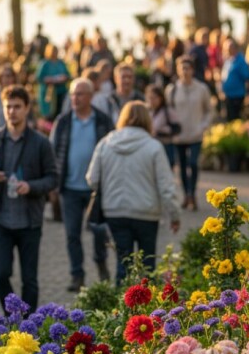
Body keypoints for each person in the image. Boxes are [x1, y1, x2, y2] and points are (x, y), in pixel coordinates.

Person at [0, 86, 57, 312]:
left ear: (27, 109)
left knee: (29, 279)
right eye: (8, 107)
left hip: (30, 220)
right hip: (0, 219)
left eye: (17, 107)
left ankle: (29, 324)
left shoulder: (40, 142)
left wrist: (31, 186)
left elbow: (52, 178)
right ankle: (13, 315)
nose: (12, 112)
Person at [87, 102, 180, 283]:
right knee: (148, 267)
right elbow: (166, 186)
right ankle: (149, 308)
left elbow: (92, 179)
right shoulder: (154, 147)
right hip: (147, 213)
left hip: (114, 211)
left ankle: (120, 306)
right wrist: (174, 215)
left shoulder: (106, 143)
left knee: (123, 265)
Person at [50, 78, 114, 292]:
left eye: (80, 94)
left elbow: (111, 151)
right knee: (72, 234)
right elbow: (53, 151)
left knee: (98, 231)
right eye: (73, 94)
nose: (75, 99)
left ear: (90, 96)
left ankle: (101, 264)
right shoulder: (63, 121)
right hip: (69, 187)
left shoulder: (103, 121)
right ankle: (77, 275)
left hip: (96, 188)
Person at [167, 56, 212, 211]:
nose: (185, 71)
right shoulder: (172, 90)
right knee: (182, 166)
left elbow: (209, 110)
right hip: (179, 136)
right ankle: (186, 194)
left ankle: (192, 193)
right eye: (182, 68)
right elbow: (167, 111)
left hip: (195, 134)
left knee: (193, 163)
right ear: (178, 70)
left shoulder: (202, 89)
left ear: (192, 70)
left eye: (188, 68)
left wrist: (203, 125)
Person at [145, 84, 178, 167]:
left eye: (154, 98)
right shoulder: (146, 111)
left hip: (165, 144)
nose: (152, 101)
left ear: (160, 98)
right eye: (150, 98)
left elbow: (177, 128)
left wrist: (164, 130)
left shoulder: (167, 111)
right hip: (150, 145)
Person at [220, 38, 249, 121]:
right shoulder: (228, 60)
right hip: (228, 95)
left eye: (228, 49)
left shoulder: (241, 61)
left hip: (237, 95)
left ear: (234, 48)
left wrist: (248, 94)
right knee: (228, 118)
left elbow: (247, 77)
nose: (226, 50)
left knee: (235, 119)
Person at [35, 45, 70, 121]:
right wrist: (50, 79)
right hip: (49, 93)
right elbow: (39, 77)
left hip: (61, 92)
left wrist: (64, 78)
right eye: (53, 51)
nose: (54, 53)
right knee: (50, 114)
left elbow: (68, 75)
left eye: (56, 51)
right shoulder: (44, 63)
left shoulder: (61, 63)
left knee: (60, 112)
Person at [0, 63, 18, 128]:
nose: (5, 79)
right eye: (2, 76)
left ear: (14, 77)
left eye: (8, 76)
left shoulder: (21, 96)